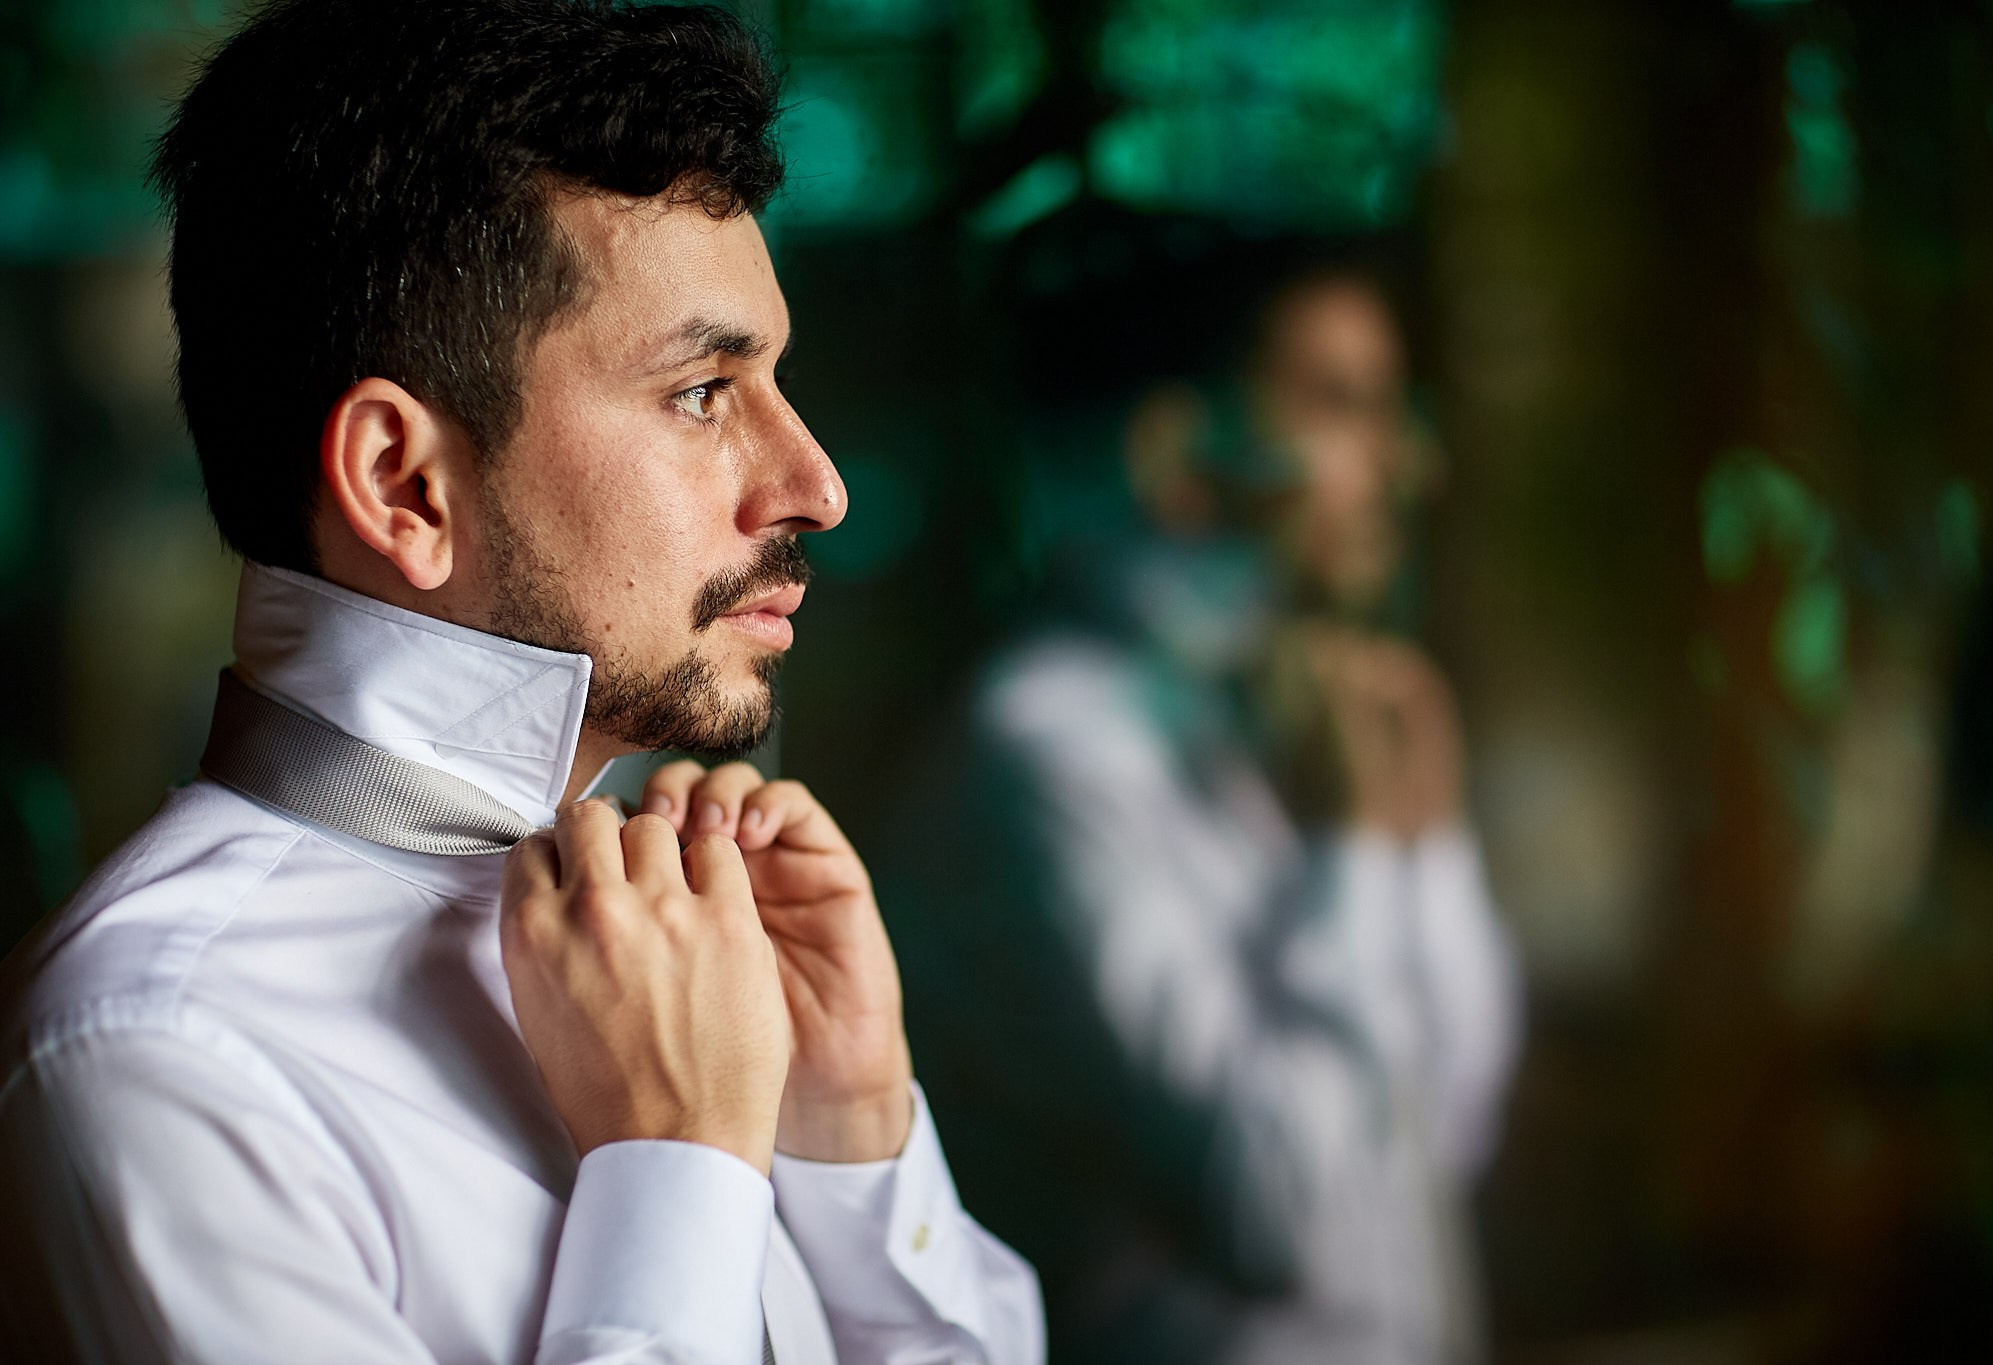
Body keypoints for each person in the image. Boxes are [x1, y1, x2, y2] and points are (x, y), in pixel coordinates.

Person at [0, 3, 1042, 1362]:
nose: (817, 487)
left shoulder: (722, 954)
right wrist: (676, 1165)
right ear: (404, 483)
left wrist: (848, 1145)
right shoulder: (157, 1056)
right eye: (702, 392)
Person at [887, 246, 1519, 1363]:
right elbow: (1289, 1221)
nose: (1408, 462)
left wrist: (1422, 840)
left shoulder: (1303, 715)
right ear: (1175, 455)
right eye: (1339, 405)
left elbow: (1446, 1138)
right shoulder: (1048, 753)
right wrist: (1357, 853)